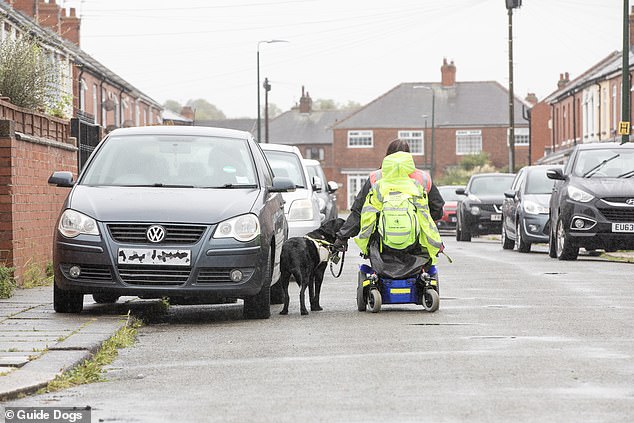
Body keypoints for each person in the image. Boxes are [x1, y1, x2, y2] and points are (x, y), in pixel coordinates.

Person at [333, 139, 445, 279]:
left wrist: (342, 237)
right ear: (409, 156)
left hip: (382, 245)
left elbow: (359, 212)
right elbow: (437, 208)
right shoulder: (423, 178)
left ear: (387, 156)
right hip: (416, 244)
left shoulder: (376, 178)